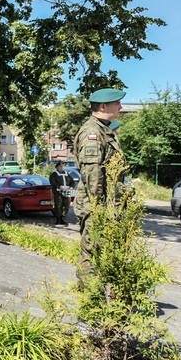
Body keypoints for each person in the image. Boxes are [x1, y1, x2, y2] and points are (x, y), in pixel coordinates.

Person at [73, 87, 125, 287]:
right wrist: (99, 206)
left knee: (99, 249)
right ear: (103, 106)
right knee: (91, 250)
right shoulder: (92, 133)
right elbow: (92, 173)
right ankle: (89, 296)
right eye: (116, 103)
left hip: (104, 203)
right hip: (95, 204)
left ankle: (97, 291)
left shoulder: (103, 130)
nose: (120, 106)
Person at [49, 160, 73, 225]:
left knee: (66, 205)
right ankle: (58, 219)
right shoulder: (54, 174)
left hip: (67, 191)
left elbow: (72, 181)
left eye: (62, 166)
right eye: (60, 166)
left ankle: (63, 218)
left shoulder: (66, 173)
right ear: (57, 167)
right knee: (58, 205)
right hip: (58, 192)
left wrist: (71, 186)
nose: (61, 167)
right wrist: (59, 187)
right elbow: (53, 182)